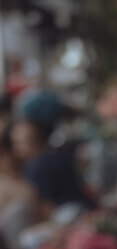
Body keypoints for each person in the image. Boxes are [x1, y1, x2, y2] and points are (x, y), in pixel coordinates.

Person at [11, 89, 95, 220]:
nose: (16, 148)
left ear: (36, 139)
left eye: (20, 142)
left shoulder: (38, 166)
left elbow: (46, 209)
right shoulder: (61, 156)